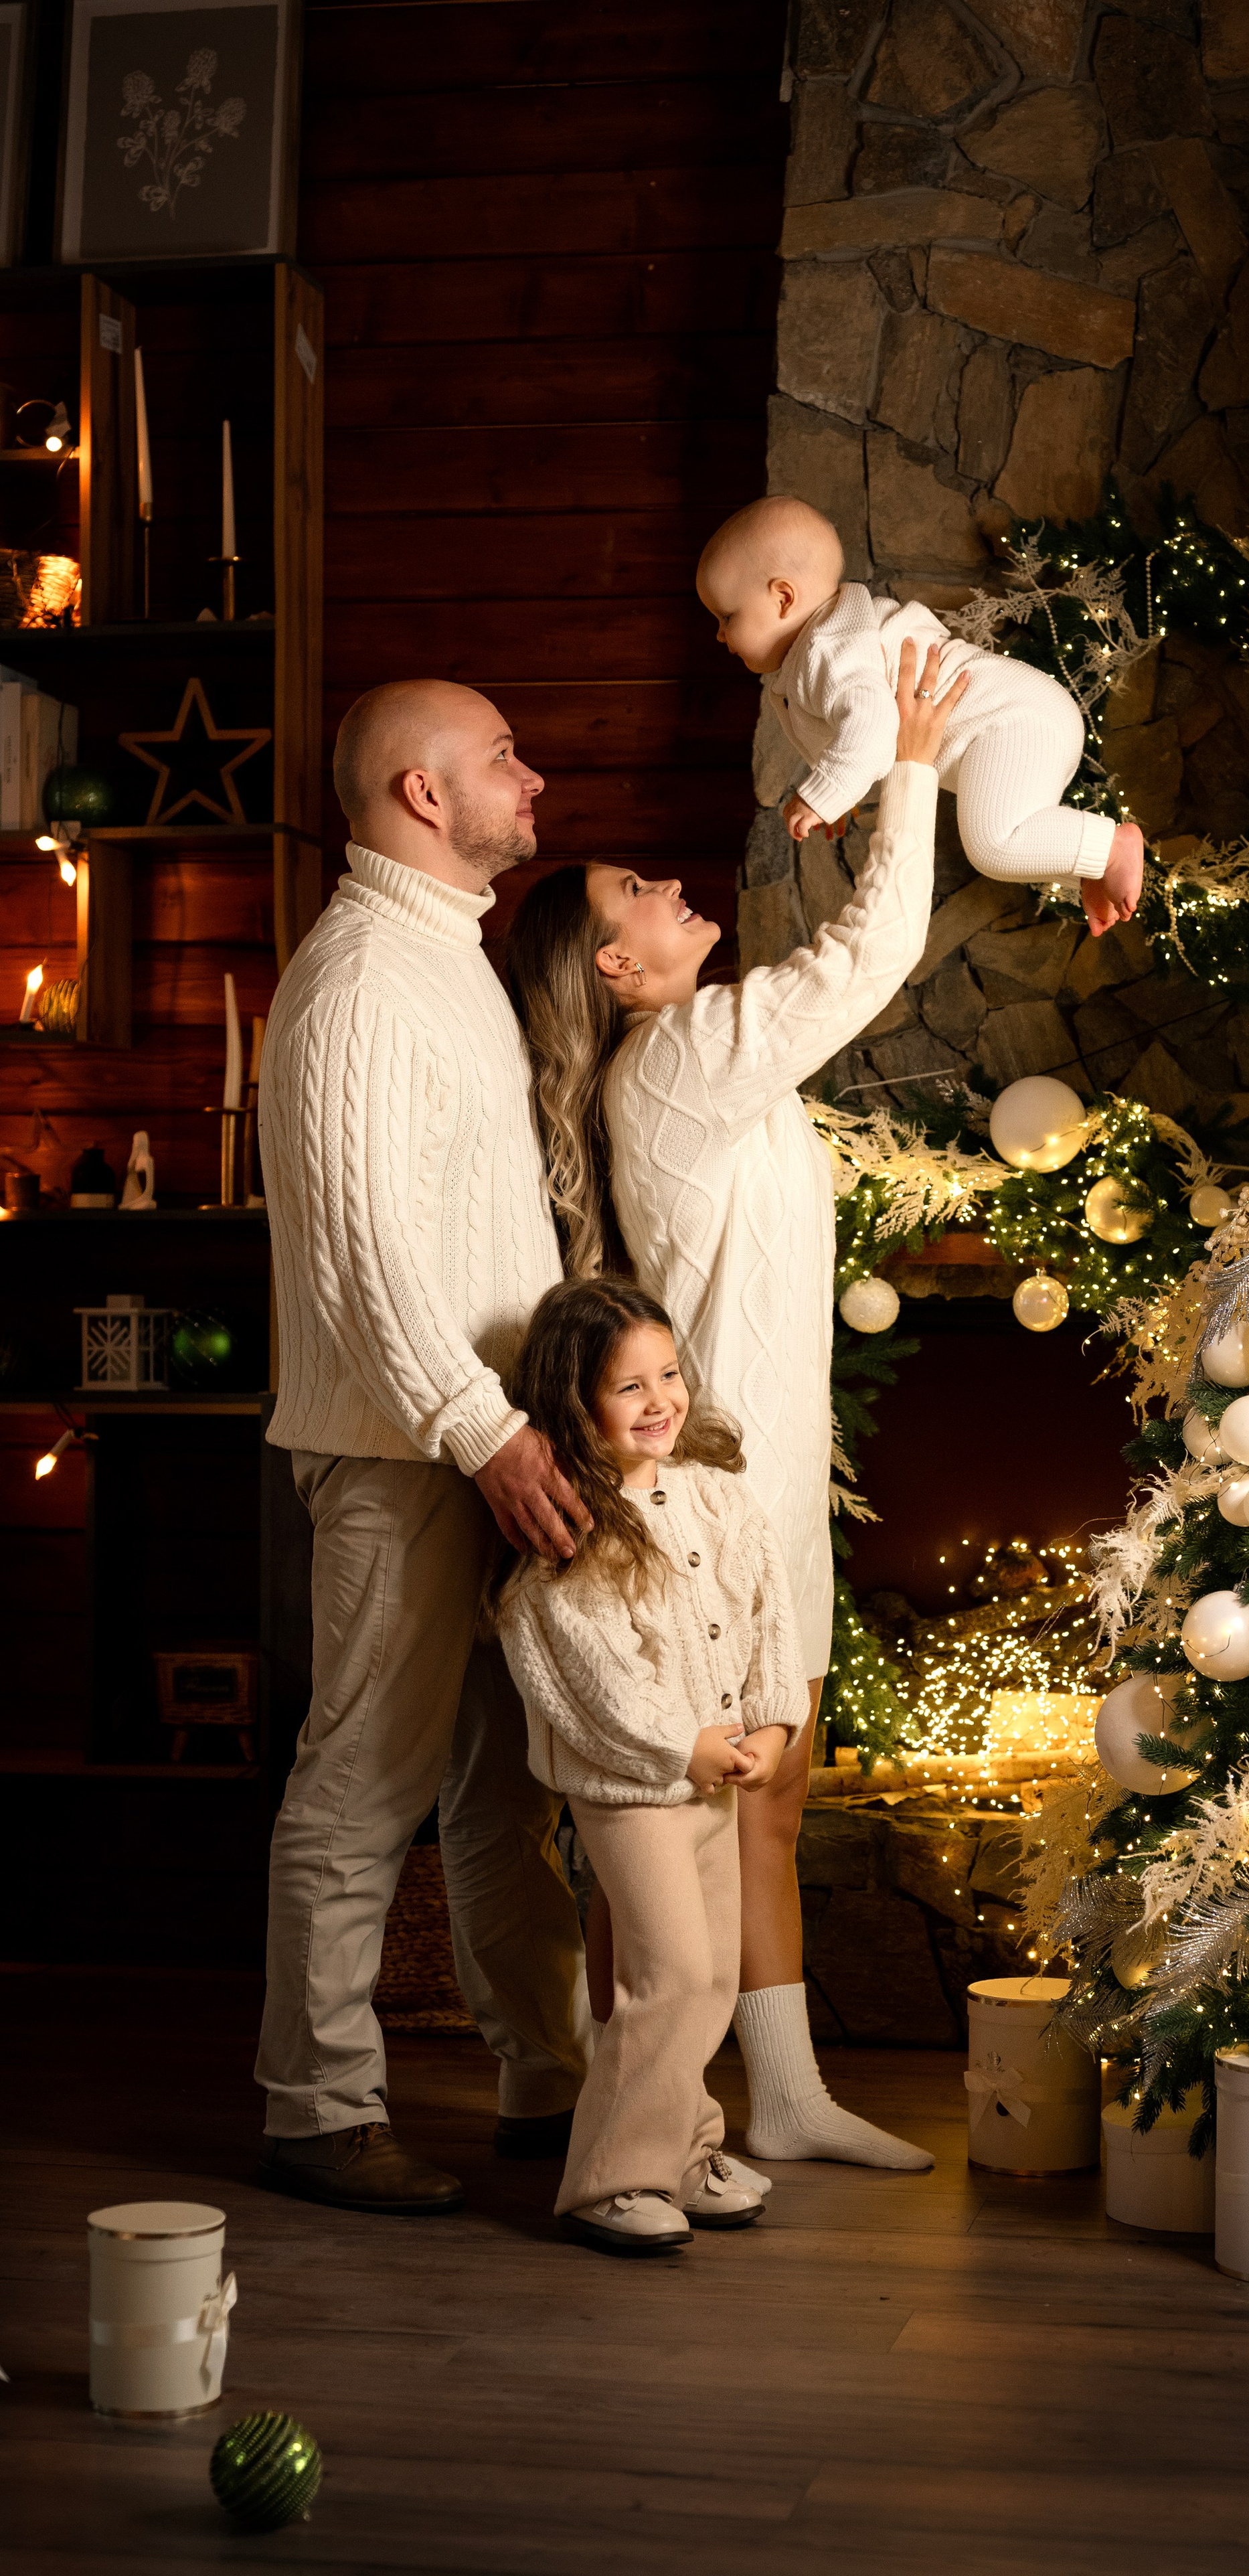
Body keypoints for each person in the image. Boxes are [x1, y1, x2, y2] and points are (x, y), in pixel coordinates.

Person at [506, 640, 959, 2171]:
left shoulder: (702, 1069)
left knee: (772, 1790)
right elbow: (868, 949)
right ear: (616, 967)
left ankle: (780, 2089)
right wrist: (910, 758)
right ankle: (644, 2106)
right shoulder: (684, 1055)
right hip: (716, 1492)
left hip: (756, 1480)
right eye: (635, 888)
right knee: (688, 1807)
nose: (665, 886)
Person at [255, 678, 594, 2214]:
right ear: (416, 793)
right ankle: (317, 2110)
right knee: (361, 1781)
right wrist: (484, 1430)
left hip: (483, 1439)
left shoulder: (441, 957)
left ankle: (550, 2084)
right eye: (502, 758)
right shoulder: (355, 987)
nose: (533, 776)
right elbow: (361, 1257)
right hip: (407, 1451)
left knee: (498, 1787)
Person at [497, 1277, 804, 2255]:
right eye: (629, 1388)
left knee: (713, 1978)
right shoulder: (567, 1530)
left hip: (716, 1777)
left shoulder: (719, 1501)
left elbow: (769, 1621)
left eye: (668, 1374)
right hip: (635, 1792)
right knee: (667, 1976)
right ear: (573, 1403)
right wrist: (683, 1746)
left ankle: (682, 2149)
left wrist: (773, 1724)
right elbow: (586, 1677)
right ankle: (608, 2179)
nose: (661, 1399)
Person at [697, 492, 1145, 936]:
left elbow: (872, 726)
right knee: (1009, 836)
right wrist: (838, 787)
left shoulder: (827, 650)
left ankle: (1109, 847)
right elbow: (852, 724)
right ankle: (1090, 867)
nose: (720, 635)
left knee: (992, 846)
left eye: (726, 616)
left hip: (1011, 720)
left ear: (782, 598)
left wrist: (824, 791)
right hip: (1028, 716)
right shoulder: (834, 640)